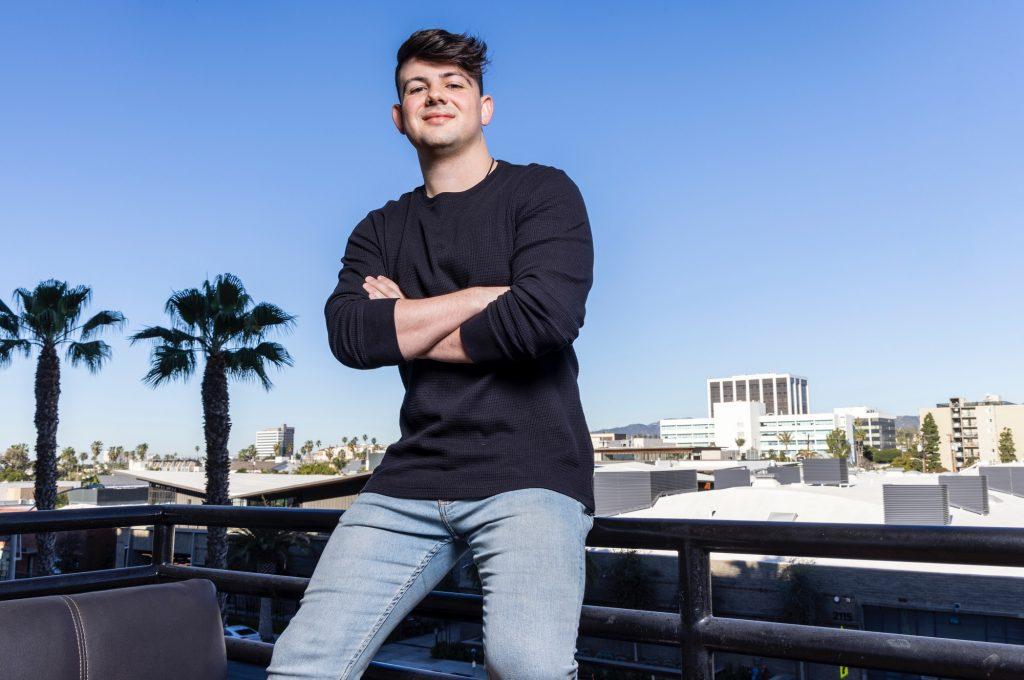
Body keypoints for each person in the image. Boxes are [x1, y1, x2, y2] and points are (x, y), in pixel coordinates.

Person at [266, 27, 595, 679]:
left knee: (525, 663)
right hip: (411, 478)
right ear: (399, 116)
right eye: (418, 87)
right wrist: (482, 297)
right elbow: (352, 336)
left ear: (483, 106)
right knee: (303, 663)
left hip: (531, 472)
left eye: (453, 84)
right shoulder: (381, 228)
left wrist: (404, 320)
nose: (435, 96)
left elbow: (541, 321)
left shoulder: (544, 194)